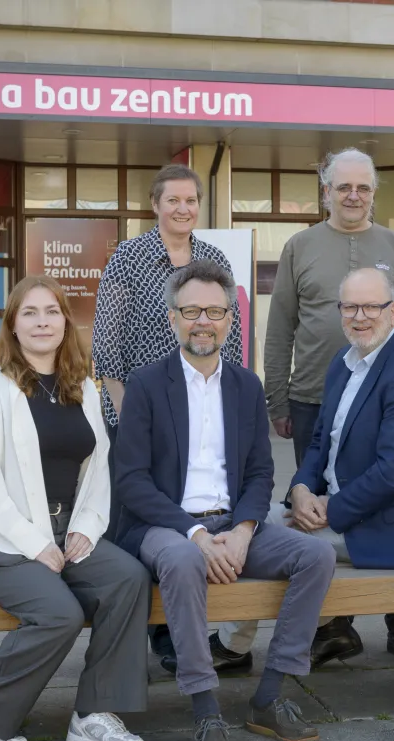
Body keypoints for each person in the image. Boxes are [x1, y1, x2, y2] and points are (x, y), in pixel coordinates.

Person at [112, 260, 337, 741]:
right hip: (164, 526)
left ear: (231, 320)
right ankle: (205, 709)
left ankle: (270, 696)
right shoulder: (146, 384)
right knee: (185, 561)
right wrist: (194, 533)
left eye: (215, 311)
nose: (203, 321)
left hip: (232, 523)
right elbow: (130, 481)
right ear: (173, 318)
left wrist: (242, 530)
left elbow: (260, 473)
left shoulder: (244, 386)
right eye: (191, 310)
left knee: (316, 557)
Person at [0, 276, 149, 741]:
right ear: (12, 324)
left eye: (52, 312)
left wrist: (86, 526)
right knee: (60, 614)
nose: (42, 321)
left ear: (65, 322)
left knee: (128, 578)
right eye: (30, 312)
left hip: (67, 532)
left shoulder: (84, 387)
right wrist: (35, 544)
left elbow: (99, 467)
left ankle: (95, 715)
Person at [224, 268, 394, 668]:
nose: (359, 316)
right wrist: (300, 491)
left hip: (389, 528)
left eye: (371, 307)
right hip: (335, 513)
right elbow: (318, 443)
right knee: (245, 522)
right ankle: (330, 629)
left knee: (258, 538)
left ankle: (234, 647)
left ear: (393, 311)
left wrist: (330, 510)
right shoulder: (343, 363)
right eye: (349, 307)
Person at [91, 163, 247, 677]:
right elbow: (108, 346)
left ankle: (176, 634)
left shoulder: (214, 258)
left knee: (192, 507)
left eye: (191, 200)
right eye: (173, 199)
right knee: (143, 519)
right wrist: (129, 414)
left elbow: (235, 336)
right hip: (139, 414)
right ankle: (135, 627)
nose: (183, 208)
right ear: (155, 204)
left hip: (202, 410)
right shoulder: (129, 258)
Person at [265, 148, 394, 467]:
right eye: (344, 188)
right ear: (327, 192)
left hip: (383, 398)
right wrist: (278, 402)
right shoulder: (299, 246)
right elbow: (280, 328)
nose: (354, 196)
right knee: (313, 501)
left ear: (373, 193)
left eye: (363, 188)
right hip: (313, 398)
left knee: (376, 498)